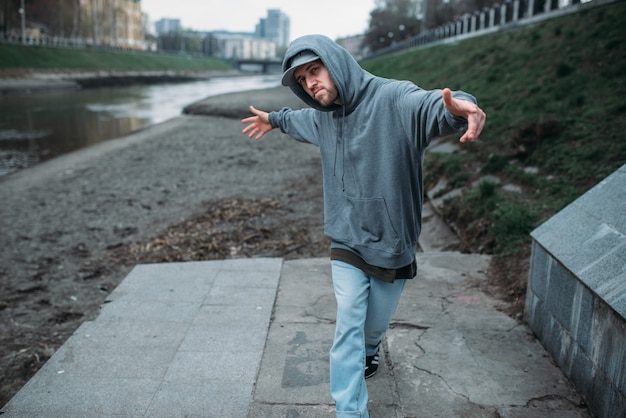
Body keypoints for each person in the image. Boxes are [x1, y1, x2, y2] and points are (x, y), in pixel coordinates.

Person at [241, 34, 486, 418]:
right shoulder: (322, 117)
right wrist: (273, 119)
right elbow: (298, 118)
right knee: (349, 325)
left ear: (335, 63)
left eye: (314, 71)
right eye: (302, 80)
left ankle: (372, 350)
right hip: (346, 239)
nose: (310, 83)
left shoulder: (392, 99)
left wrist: (462, 109)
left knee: (373, 327)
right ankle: (350, 411)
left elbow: (432, 107)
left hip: (392, 242)